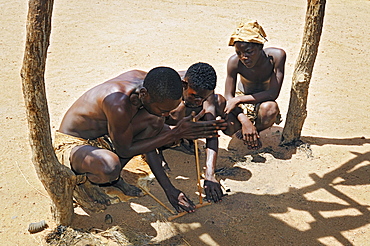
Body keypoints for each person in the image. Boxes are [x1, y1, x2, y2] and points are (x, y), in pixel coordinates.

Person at [54, 66, 227, 212]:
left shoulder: (150, 88)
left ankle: (112, 179)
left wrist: (170, 190)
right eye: (163, 110)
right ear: (145, 95)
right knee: (109, 166)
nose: (167, 116)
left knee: (155, 122)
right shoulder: (118, 103)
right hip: (74, 143)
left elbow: (148, 141)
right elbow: (124, 149)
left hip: (106, 136)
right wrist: (175, 133)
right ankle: (89, 181)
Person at [158, 62, 226, 203]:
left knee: (217, 102)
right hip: (161, 122)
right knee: (176, 112)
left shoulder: (203, 90)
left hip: (181, 121)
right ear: (184, 85)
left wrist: (209, 174)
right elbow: (151, 122)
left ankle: (180, 140)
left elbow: (211, 129)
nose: (200, 100)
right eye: (195, 95)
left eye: (203, 98)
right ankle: (157, 148)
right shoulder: (168, 87)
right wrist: (183, 105)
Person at [223, 19, 286, 150]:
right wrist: (244, 120)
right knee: (226, 122)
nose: (243, 57)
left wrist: (238, 99)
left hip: (263, 100)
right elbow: (229, 97)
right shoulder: (234, 62)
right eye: (239, 53)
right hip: (243, 100)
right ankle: (247, 130)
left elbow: (273, 93)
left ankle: (252, 133)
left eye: (249, 52)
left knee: (270, 109)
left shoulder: (276, 57)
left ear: (260, 47)